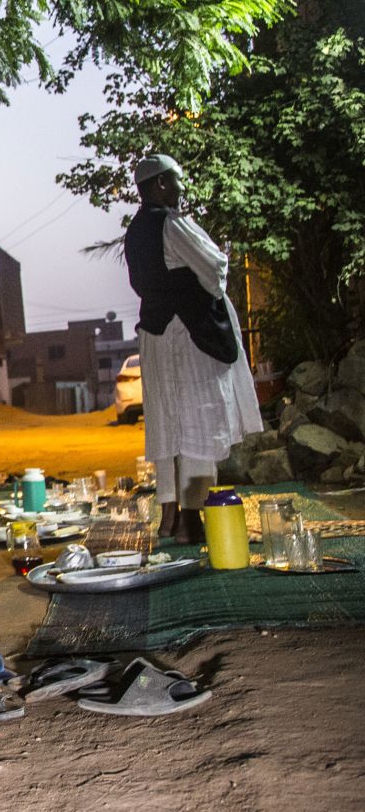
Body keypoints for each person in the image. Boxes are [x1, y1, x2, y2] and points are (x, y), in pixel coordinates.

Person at [124, 154, 261, 542]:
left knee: (169, 422)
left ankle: (170, 517)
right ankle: (192, 520)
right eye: (177, 181)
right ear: (161, 185)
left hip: (156, 333)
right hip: (187, 335)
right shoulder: (171, 224)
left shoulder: (135, 231)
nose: (182, 189)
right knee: (199, 417)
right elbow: (215, 269)